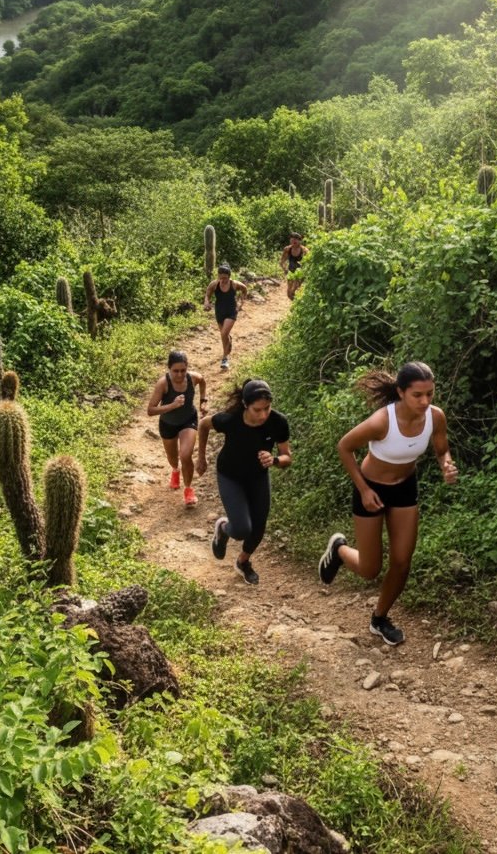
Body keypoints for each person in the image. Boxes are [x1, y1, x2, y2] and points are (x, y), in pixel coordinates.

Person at [317, 361, 458, 646]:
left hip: (405, 488)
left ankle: (379, 618)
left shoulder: (435, 417)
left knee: (402, 561)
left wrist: (447, 465)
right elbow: (344, 447)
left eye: (430, 393)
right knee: (370, 569)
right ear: (401, 392)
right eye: (417, 395)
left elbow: (442, 450)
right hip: (372, 489)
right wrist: (364, 490)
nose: (425, 400)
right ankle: (339, 549)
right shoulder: (383, 421)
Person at [196, 377, 291, 585]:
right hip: (230, 475)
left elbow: (287, 457)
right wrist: (201, 457)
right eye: (257, 410)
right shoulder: (231, 419)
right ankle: (223, 529)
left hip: (257, 477)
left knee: (258, 527)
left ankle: (243, 562)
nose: (263, 415)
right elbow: (204, 425)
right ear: (246, 405)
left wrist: (274, 460)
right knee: (241, 529)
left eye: (267, 408)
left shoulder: (278, 422)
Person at [147, 350, 207, 507]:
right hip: (168, 424)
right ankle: (175, 470)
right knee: (173, 458)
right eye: (175, 371)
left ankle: (188, 490)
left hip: (188, 420)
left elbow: (202, 381)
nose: (180, 374)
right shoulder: (163, 384)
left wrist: (203, 401)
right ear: (169, 369)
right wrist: (172, 405)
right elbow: (150, 410)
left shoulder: (192, 378)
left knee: (186, 455)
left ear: (187, 368)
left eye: (183, 370)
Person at [203, 263, 248, 369]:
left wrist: (242, 302)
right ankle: (228, 341)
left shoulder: (234, 284)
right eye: (221, 277)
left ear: (229, 276)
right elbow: (208, 294)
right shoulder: (214, 284)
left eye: (225, 278)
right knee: (224, 335)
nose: (223, 280)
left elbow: (244, 289)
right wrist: (206, 302)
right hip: (219, 311)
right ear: (218, 276)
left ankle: (225, 358)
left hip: (231, 311)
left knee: (223, 334)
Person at [280, 232, 309, 300]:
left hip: (300, 273)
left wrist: (305, 271)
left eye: (295, 240)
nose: (293, 242)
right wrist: (285, 270)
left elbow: (309, 263)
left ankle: (296, 306)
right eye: (292, 240)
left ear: (300, 241)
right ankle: (294, 303)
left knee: (295, 290)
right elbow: (282, 262)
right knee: (289, 293)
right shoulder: (287, 249)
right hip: (291, 272)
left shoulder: (305, 250)